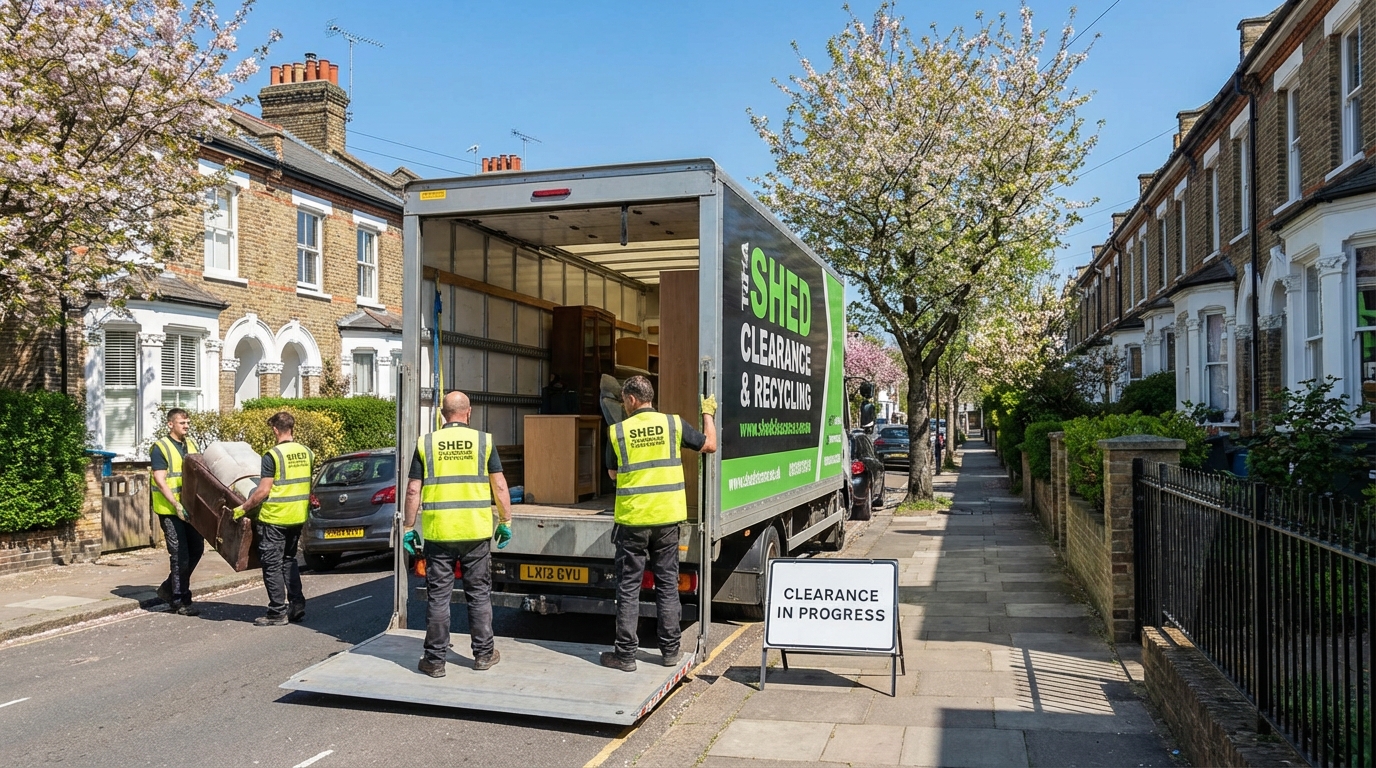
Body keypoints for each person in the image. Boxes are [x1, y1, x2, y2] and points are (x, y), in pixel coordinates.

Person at [600, 375, 717, 672]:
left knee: (628, 588)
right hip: (667, 519)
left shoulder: (617, 432)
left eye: (624, 400)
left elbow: (613, 474)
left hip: (633, 521)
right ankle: (670, 651)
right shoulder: (673, 424)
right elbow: (710, 445)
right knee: (667, 585)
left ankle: (626, 655)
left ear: (631, 399)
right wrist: (707, 413)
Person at [403, 391, 514, 677]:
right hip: (475, 532)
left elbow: (413, 489)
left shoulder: (426, 443)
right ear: (469, 412)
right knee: (478, 595)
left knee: (439, 597)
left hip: (439, 533)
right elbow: (500, 485)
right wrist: (505, 521)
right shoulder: (483, 441)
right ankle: (484, 655)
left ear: (443, 414)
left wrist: (408, 527)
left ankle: (434, 661)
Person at [229, 412, 314, 626]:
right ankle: (296, 604)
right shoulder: (307, 452)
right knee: (289, 560)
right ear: (292, 428)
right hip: (297, 516)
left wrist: (243, 508)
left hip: (275, 517)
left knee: (272, 564)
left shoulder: (272, 455)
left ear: (275, 430)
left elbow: (263, 491)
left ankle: (277, 612)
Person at [150, 408, 202, 617]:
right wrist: (175, 504)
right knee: (180, 554)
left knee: (196, 549)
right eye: (182, 423)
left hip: (190, 509)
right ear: (170, 424)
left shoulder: (192, 444)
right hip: (170, 510)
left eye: (188, 422)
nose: (186, 426)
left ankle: (168, 588)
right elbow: (159, 479)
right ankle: (180, 600)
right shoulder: (160, 447)